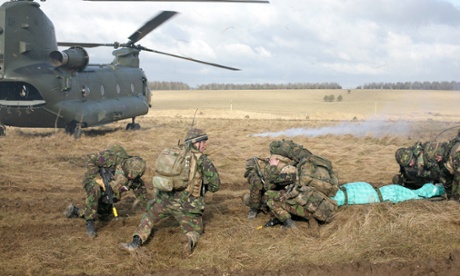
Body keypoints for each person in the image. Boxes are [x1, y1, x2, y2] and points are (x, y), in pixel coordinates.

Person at [120, 128, 221, 257]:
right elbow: (215, 186)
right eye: (203, 141)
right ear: (196, 143)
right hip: (188, 207)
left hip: (163, 202)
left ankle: (135, 243)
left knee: (148, 217)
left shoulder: (173, 154)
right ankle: (188, 242)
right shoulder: (202, 160)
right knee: (195, 230)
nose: (205, 145)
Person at [65, 144, 148, 238]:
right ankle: (90, 223)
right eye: (129, 174)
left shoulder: (134, 178)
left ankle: (77, 211)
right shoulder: (112, 158)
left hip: (109, 189)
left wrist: (149, 212)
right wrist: (98, 178)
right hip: (93, 179)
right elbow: (90, 158)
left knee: (103, 216)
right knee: (94, 188)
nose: (130, 177)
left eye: (134, 176)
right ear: (127, 165)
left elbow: (143, 196)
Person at [243, 154, 297, 219]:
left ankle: (263, 204)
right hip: (258, 175)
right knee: (257, 184)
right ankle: (254, 208)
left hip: (275, 184)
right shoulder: (275, 171)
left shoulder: (291, 172)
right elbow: (267, 186)